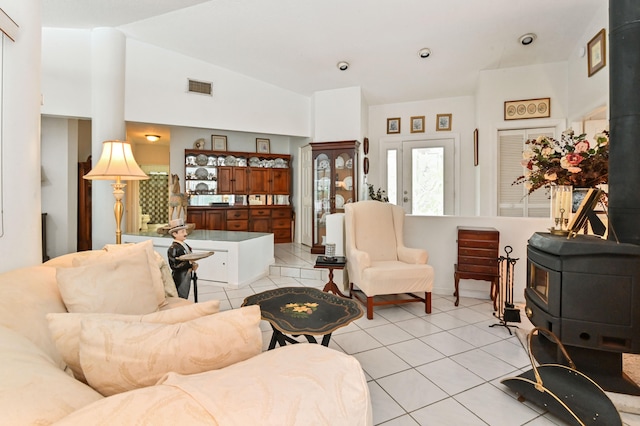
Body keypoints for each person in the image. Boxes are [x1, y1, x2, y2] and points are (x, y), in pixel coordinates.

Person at [165, 219, 198, 299]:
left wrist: (193, 265)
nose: (185, 233)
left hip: (187, 274)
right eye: (182, 232)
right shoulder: (173, 248)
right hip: (180, 277)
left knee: (185, 292)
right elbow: (174, 266)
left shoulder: (185, 245)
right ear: (174, 234)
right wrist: (189, 263)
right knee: (180, 294)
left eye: (185, 231)